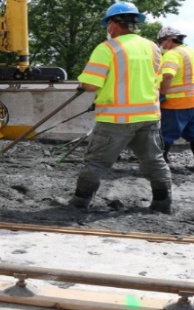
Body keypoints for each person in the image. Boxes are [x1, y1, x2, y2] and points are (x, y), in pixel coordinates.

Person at [71, 2, 173, 214]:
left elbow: (91, 84)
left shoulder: (107, 48)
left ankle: (80, 202)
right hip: (149, 115)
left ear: (112, 24)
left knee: (96, 162)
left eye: (107, 24)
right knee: (154, 159)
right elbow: (157, 79)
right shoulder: (153, 47)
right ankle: (162, 202)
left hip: (115, 118)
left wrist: (81, 84)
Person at [157, 26, 194, 163]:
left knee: (166, 134)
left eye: (161, 41)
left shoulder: (172, 54)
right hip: (192, 101)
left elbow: (167, 75)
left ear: (169, 40)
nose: (160, 45)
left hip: (176, 103)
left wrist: (162, 93)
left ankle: (162, 162)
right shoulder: (191, 52)